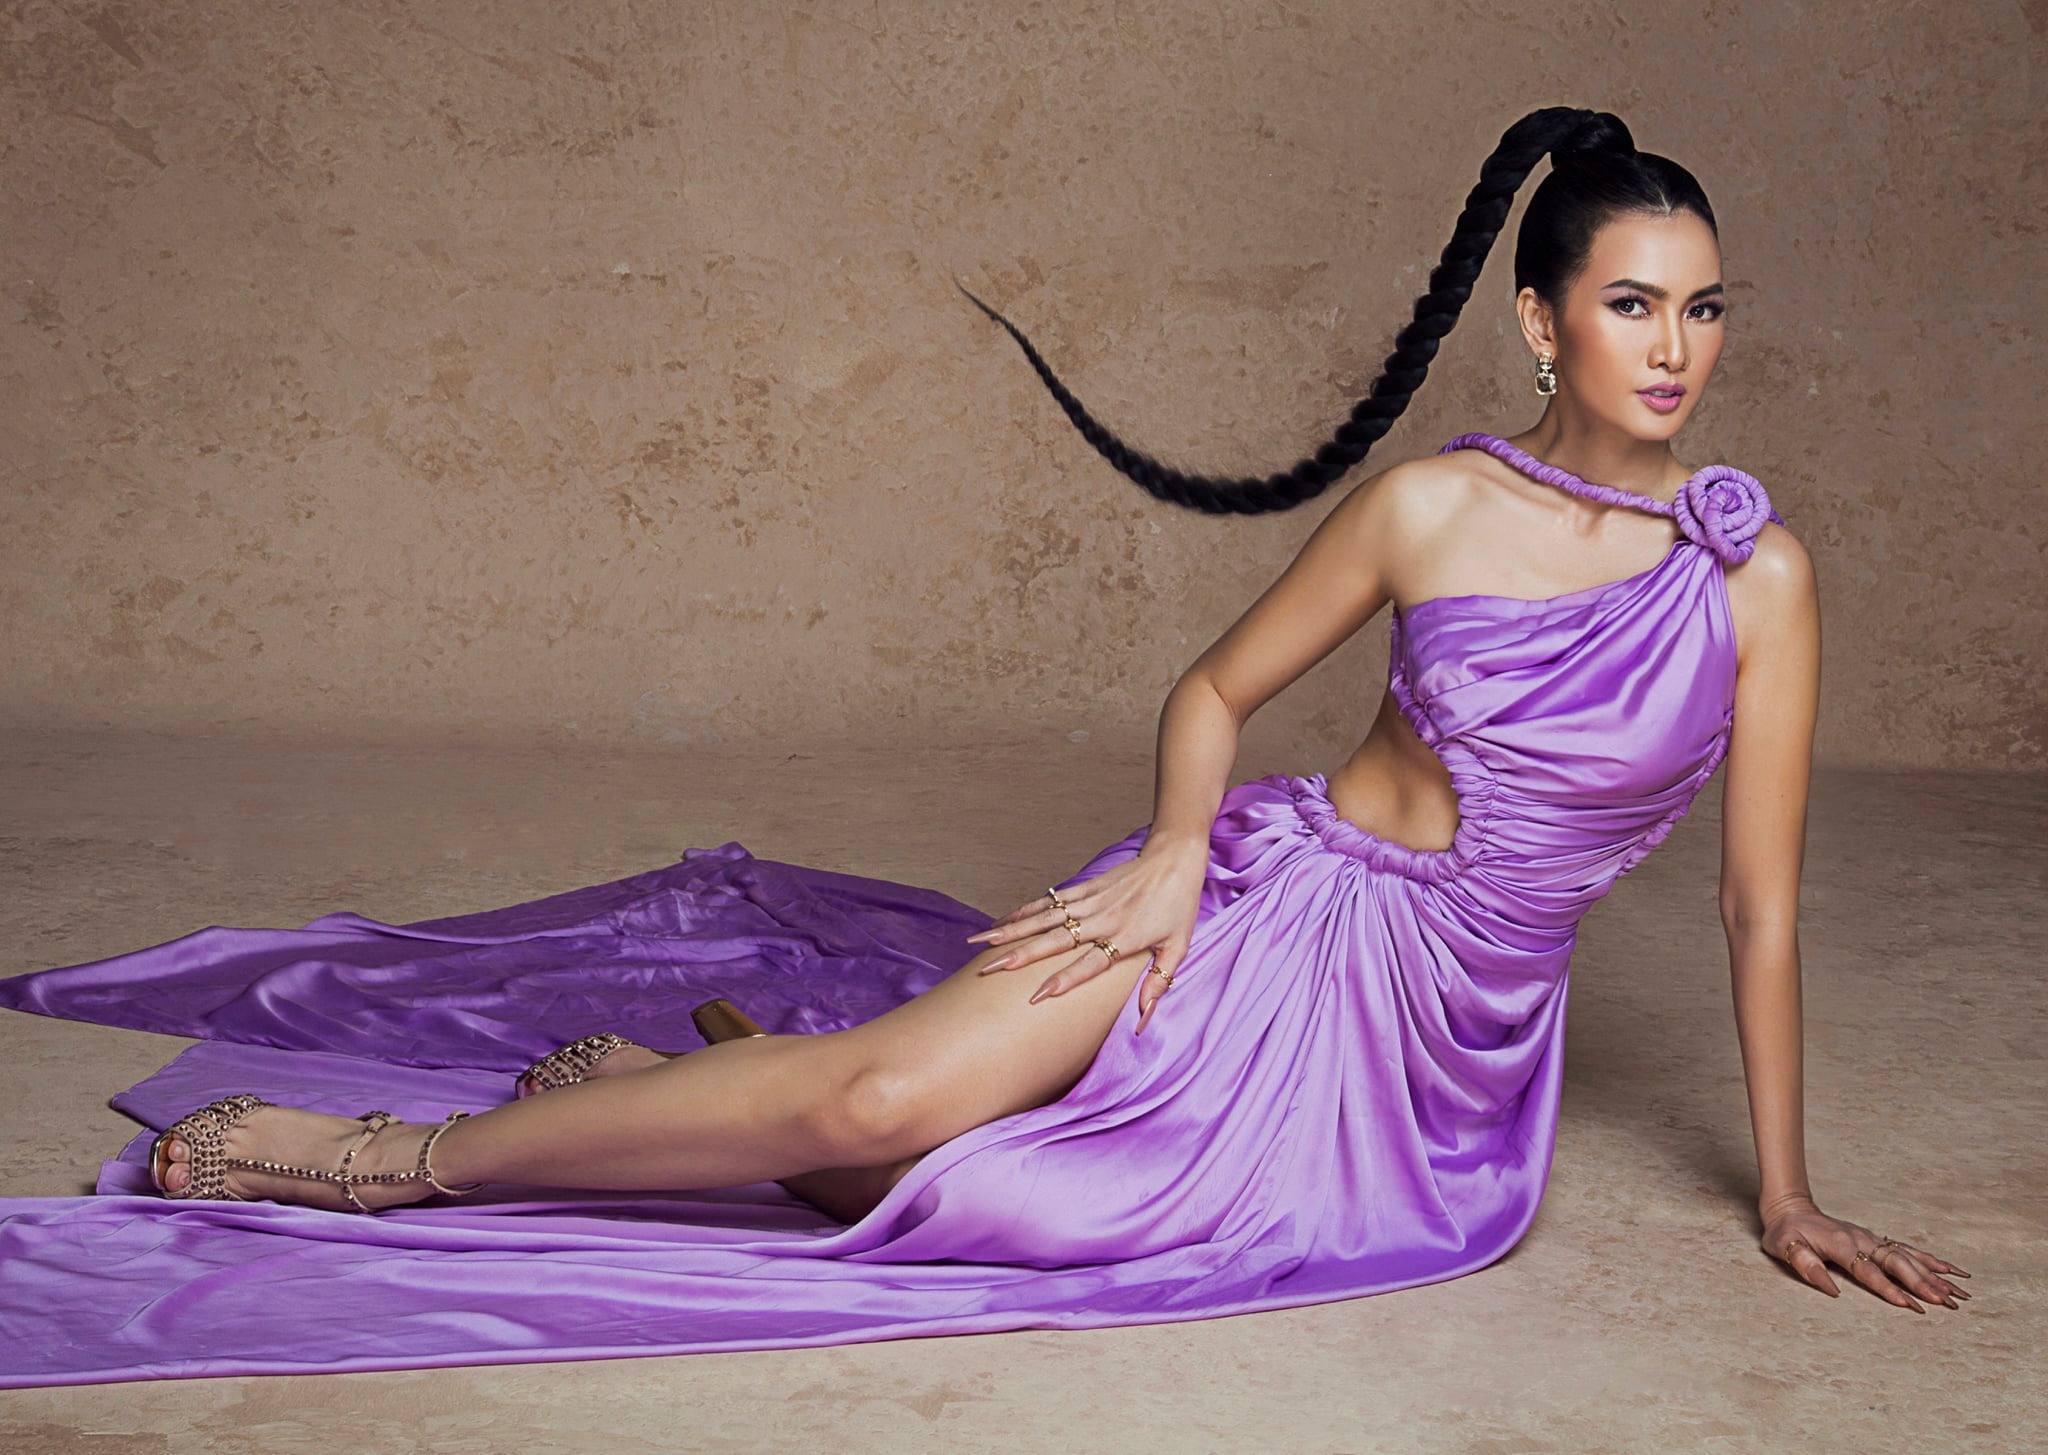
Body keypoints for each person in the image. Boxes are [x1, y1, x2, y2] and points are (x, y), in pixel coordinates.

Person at [0, 105, 1966, 1388]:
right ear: (1542, 324)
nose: (1675, 347)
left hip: (1443, 1056)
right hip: (1270, 910)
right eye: (1631, 304)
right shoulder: (1430, 510)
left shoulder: (1756, 575)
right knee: (880, 1108)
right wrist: (1178, 855)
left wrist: (1786, 1192)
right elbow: (1211, 692)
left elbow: (1759, 908)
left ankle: (708, 1085)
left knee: (982, 1198)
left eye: (1703, 309)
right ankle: (398, 1162)